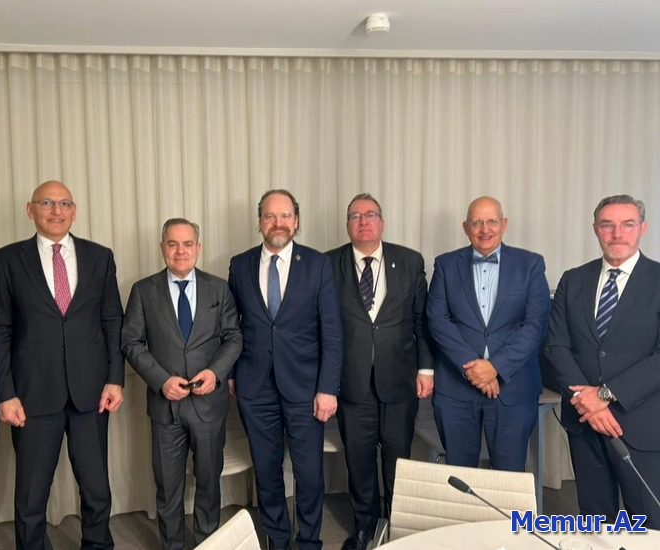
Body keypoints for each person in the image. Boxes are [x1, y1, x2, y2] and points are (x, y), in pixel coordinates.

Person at [0, 180, 125, 550]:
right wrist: (5, 392)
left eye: (64, 203)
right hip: (32, 395)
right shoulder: (6, 260)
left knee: (97, 489)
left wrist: (115, 378)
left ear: (74, 211)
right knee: (31, 496)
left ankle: (98, 545)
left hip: (91, 394)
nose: (56, 210)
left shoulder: (100, 257)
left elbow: (112, 320)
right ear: (30, 209)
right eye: (46, 203)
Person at [227, 189, 343, 550]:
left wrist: (328, 388)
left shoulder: (317, 264)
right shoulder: (239, 265)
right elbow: (231, 327)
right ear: (259, 221)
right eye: (270, 216)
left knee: (309, 476)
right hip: (255, 387)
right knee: (267, 473)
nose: (278, 223)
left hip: (306, 389)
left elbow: (332, 332)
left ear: (297, 220)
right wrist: (230, 373)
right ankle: (277, 542)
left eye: (285, 216)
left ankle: (308, 543)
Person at [121, 218, 242, 550]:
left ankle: (206, 544)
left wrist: (215, 372)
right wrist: (161, 380)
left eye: (187, 244)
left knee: (209, 484)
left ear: (198, 248)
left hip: (208, 406)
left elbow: (234, 337)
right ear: (162, 248)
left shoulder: (219, 288)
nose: (180, 251)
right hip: (166, 408)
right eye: (172, 244)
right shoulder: (143, 291)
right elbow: (130, 342)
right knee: (168, 488)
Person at [544, 194, 660, 529]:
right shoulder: (573, 280)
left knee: (649, 524)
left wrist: (605, 396)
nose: (617, 233)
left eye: (627, 225)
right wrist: (587, 402)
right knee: (596, 522)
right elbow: (556, 345)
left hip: (640, 425)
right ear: (595, 229)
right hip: (584, 424)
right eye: (607, 225)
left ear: (642, 228)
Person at [326, 193, 434, 550]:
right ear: (347, 225)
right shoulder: (328, 264)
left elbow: (421, 321)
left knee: (398, 460)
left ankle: (398, 529)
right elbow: (322, 326)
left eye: (370, 214)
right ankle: (365, 529)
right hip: (352, 384)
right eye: (355, 216)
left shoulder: (410, 261)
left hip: (399, 381)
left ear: (382, 222)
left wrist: (426, 368)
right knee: (359, 463)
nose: (363, 221)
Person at [426, 196, 550, 471]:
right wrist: (473, 369)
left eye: (492, 221)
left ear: (504, 224)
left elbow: (536, 324)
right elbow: (437, 320)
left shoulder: (530, 264)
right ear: (465, 227)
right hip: (456, 389)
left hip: (513, 388)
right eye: (477, 223)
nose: (485, 229)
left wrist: (495, 367)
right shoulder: (445, 265)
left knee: (508, 476)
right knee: (459, 475)